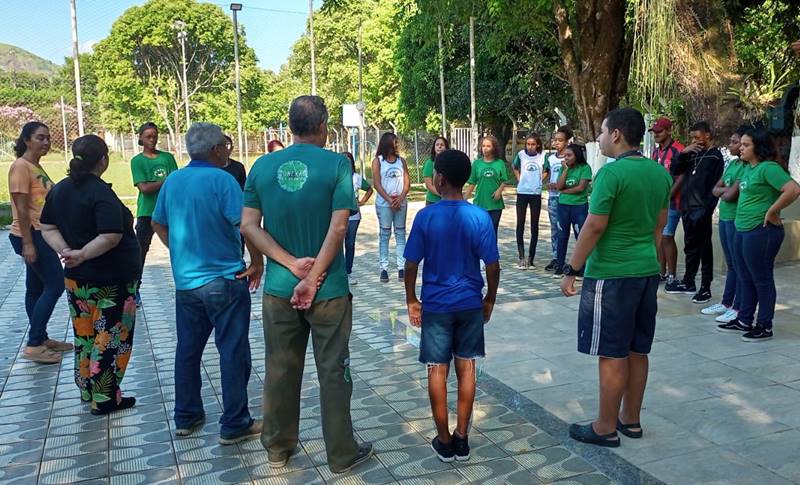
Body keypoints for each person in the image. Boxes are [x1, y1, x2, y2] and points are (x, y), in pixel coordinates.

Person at [240, 96, 373, 473]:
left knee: (280, 367)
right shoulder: (335, 165)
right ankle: (341, 454)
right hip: (328, 290)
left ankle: (278, 447)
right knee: (334, 369)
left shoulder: (262, 167)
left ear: (290, 126)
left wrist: (290, 265)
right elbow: (340, 225)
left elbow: (248, 224)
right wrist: (313, 277)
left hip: (280, 288)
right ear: (323, 126)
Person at [560, 108, 672, 448]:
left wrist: (572, 269)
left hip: (610, 276)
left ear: (617, 135)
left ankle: (605, 426)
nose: (599, 139)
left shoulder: (610, 174)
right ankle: (630, 420)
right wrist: (644, 257)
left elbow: (594, 225)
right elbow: (659, 225)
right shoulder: (659, 173)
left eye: (603, 133)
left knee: (612, 352)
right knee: (638, 349)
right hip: (645, 272)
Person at [151, 122, 264, 445]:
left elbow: (158, 222)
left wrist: (179, 250)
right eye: (226, 144)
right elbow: (245, 225)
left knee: (188, 349)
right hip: (225, 280)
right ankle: (235, 422)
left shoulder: (173, 181)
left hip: (187, 284)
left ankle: (186, 416)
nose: (228, 149)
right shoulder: (222, 180)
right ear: (216, 149)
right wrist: (257, 261)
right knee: (232, 350)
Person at [404, 149, 500, 463]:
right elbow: (493, 265)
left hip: (437, 306)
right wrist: (489, 300)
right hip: (470, 303)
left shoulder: (426, 216)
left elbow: (411, 264)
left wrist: (411, 300)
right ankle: (463, 437)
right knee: (467, 367)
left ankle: (444, 440)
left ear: (440, 178)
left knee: (437, 369)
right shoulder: (480, 216)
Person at [39, 135, 141, 414]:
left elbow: (46, 226)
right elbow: (110, 235)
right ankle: (106, 397)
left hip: (77, 280)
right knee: (110, 335)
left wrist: (68, 252)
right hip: (111, 281)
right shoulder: (100, 193)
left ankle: (88, 388)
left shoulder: (60, 190)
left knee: (85, 335)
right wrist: (81, 253)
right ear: (103, 160)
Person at [718, 128, 800, 340]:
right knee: (745, 277)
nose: (741, 148)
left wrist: (772, 211)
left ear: (758, 147)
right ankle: (744, 319)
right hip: (742, 229)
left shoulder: (768, 168)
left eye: (746, 145)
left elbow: (793, 189)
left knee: (761, 279)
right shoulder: (748, 169)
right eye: (741, 144)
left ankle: (764, 325)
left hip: (761, 232)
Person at [7, 122, 72, 364]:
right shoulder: (20, 167)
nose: (46, 143)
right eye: (40, 138)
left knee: (35, 288)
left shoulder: (35, 166)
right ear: (26, 140)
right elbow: (21, 210)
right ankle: (34, 343)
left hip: (38, 233)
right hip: (30, 234)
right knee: (55, 285)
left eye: (48, 138)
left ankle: (41, 337)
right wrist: (28, 244)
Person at [665, 121, 724, 304]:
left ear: (707, 135)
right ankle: (688, 282)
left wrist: (707, 209)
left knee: (704, 248)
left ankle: (705, 287)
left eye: (698, 137)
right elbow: (675, 170)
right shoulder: (692, 154)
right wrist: (683, 152)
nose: (695, 141)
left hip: (702, 209)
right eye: (692, 138)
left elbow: (715, 185)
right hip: (686, 207)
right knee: (689, 246)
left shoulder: (715, 156)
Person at [130, 122, 178, 305]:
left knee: (177, 246)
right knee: (140, 251)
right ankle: (134, 290)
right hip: (147, 212)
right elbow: (145, 188)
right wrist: (165, 181)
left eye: (155, 135)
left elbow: (176, 182)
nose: (152, 139)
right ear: (141, 138)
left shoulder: (167, 157)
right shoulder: (137, 161)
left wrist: (166, 182)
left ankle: (184, 283)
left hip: (168, 210)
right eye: (148, 136)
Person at [702, 127, 747, 323]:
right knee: (731, 264)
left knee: (739, 265)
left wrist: (724, 190)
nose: (731, 145)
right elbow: (715, 188)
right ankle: (727, 302)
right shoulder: (733, 164)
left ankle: (738, 307)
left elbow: (728, 194)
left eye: (736, 142)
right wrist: (725, 190)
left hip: (738, 220)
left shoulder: (747, 167)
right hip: (725, 219)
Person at [649, 117, 685, 283]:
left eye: (659, 131)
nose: (656, 134)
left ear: (669, 131)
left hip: (673, 202)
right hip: (657, 202)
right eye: (654, 132)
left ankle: (672, 274)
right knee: (659, 236)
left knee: (667, 236)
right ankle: (661, 271)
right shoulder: (655, 152)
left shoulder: (678, 150)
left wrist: (669, 194)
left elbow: (682, 177)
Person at [372, 132, 411, 283]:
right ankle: (384, 268)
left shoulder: (401, 161)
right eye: (394, 142)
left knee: (400, 233)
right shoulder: (378, 161)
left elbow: (407, 183)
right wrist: (389, 200)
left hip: (400, 202)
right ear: (387, 143)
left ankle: (402, 267)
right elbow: (377, 184)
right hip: (384, 204)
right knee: (385, 234)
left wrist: (400, 198)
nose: (397, 145)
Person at [554, 143, 592, 278]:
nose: (566, 158)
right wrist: (564, 170)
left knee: (580, 236)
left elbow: (581, 188)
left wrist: (564, 191)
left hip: (579, 206)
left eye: (569, 155)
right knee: (561, 236)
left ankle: (581, 267)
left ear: (577, 156)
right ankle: (559, 266)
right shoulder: (564, 168)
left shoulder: (585, 168)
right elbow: (559, 186)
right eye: (565, 155)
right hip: (563, 206)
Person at [465, 135, 509, 241]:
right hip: (480, 203)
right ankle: (479, 256)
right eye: (483, 146)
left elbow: (504, 181)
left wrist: (499, 190)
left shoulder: (499, 163)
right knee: (479, 232)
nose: (485, 148)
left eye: (488, 146)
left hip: (495, 205)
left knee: (492, 232)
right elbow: (472, 182)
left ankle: (492, 256)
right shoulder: (477, 163)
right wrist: (464, 198)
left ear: (493, 148)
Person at [512, 134, 546, 270]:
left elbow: (547, 170)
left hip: (535, 194)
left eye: (533, 144)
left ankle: (531, 258)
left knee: (534, 226)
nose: (530, 146)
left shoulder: (543, 156)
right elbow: (514, 166)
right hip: (522, 193)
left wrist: (540, 180)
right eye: (528, 144)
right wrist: (519, 179)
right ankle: (521, 257)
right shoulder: (521, 155)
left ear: (537, 145)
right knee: (520, 224)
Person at [343, 151, 374, 286]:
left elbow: (369, 189)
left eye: (348, 161)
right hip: (339, 214)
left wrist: (362, 202)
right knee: (336, 244)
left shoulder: (356, 178)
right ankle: (339, 272)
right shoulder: (335, 177)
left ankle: (348, 271)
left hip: (354, 215)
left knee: (349, 244)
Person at [543, 126, 572, 271]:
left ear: (567, 142)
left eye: (560, 140)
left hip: (567, 196)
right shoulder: (551, 158)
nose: (557, 143)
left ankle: (568, 260)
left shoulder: (571, 157)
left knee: (566, 228)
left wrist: (562, 185)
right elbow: (546, 174)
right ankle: (556, 257)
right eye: (555, 140)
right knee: (555, 228)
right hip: (553, 197)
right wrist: (545, 183)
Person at [422, 136, 450, 206]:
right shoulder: (430, 163)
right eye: (437, 145)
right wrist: (443, 195)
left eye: (442, 145)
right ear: (434, 148)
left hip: (448, 201)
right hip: (433, 201)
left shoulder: (450, 162)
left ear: (446, 147)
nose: (439, 147)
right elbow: (429, 185)